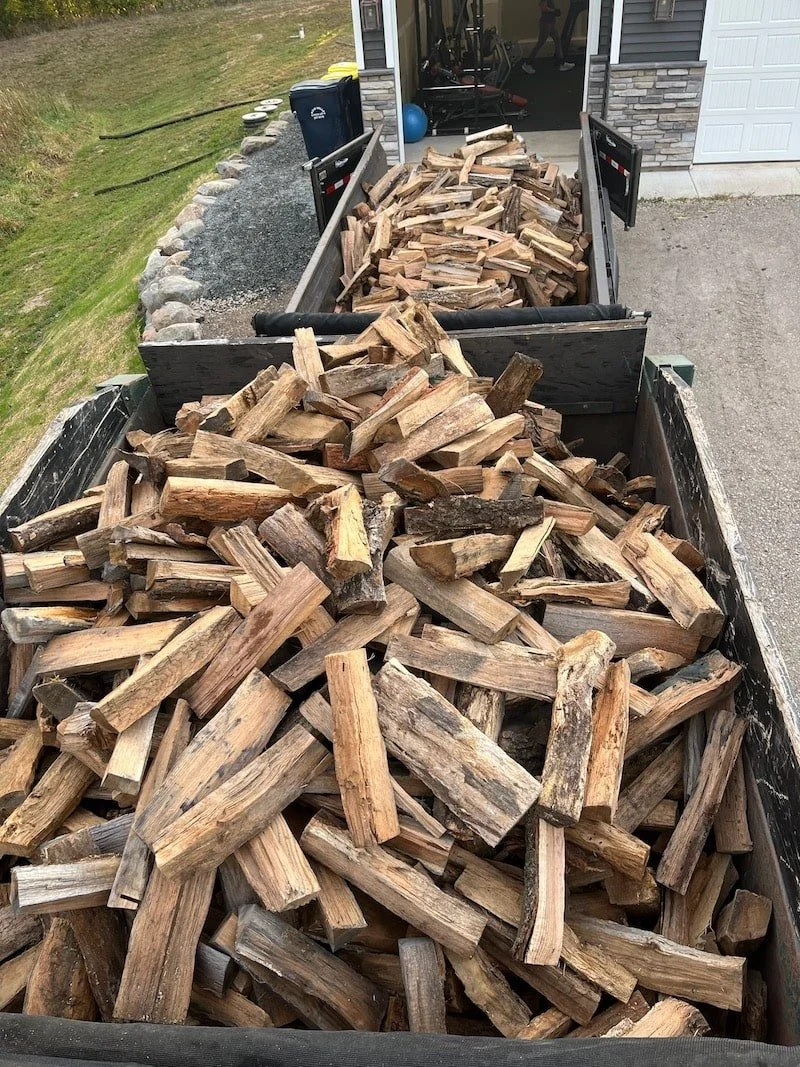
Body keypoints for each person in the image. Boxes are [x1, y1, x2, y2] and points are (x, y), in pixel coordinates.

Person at [521, 0, 575, 74]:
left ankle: (561, 63)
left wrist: (554, 12)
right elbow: (543, 7)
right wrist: (554, 11)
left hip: (550, 23)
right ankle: (528, 63)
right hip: (546, 23)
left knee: (557, 40)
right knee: (541, 42)